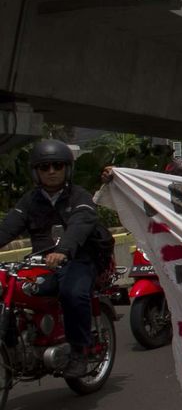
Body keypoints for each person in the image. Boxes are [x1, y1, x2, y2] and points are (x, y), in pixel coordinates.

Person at [0, 140, 115, 379]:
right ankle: (12, 343)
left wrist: (64, 250)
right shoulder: (29, 201)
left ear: (67, 169)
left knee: (72, 293)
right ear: (36, 171)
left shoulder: (79, 196)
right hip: (42, 263)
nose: (51, 171)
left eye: (57, 166)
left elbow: (80, 224)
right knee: (7, 289)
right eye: (45, 167)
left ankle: (79, 351)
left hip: (79, 260)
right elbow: (8, 228)